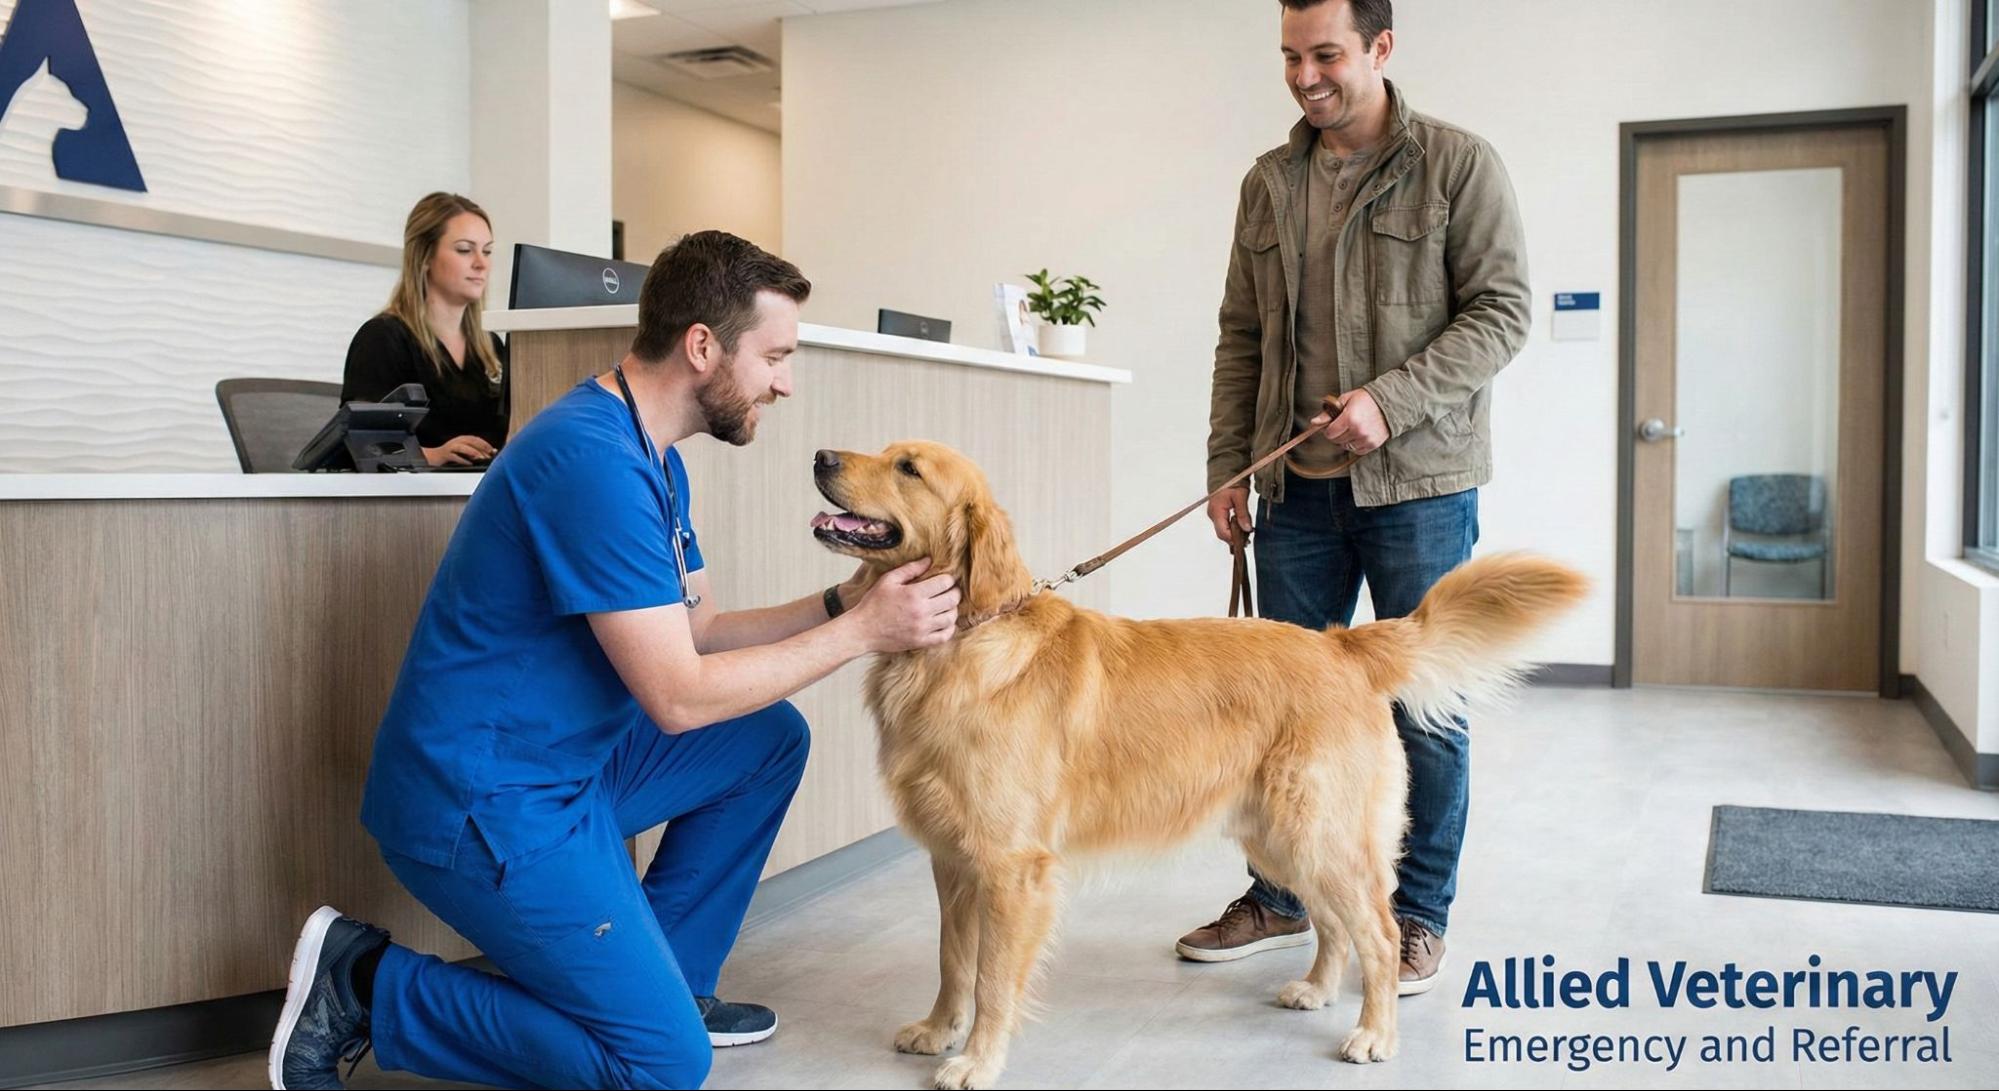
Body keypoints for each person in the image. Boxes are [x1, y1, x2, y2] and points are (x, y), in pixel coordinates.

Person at [270, 231, 962, 1090]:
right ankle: (367, 986)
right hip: (485, 802)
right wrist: (863, 635)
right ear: (703, 346)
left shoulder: (653, 456)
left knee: (765, 738)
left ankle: (667, 983)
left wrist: (842, 603)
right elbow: (678, 696)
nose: (785, 382)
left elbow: (698, 631)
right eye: (775, 356)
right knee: (661, 1064)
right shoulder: (592, 462)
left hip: (570, 768)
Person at [1176, 0, 1530, 996]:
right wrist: (1228, 465)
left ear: (1380, 47)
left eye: (1324, 54)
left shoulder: (1458, 164)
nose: (1303, 75)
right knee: (1275, 712)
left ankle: (1413, 915)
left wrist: (1390, 399)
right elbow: (1239, 336)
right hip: (1292, 490)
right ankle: (1283, 894)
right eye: (1289, 56)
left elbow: (1503, 313)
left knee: (1425, 711)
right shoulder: (1268, 183)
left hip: (1418, 486)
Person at [342, 192, 509, 467]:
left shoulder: (491, 347)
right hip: (414, 500)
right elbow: (362, 445)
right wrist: (432, 455)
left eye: (487, 251)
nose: (482, 263)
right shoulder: (383, 338)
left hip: (481, 491)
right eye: (465, 250)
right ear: (425, 256)